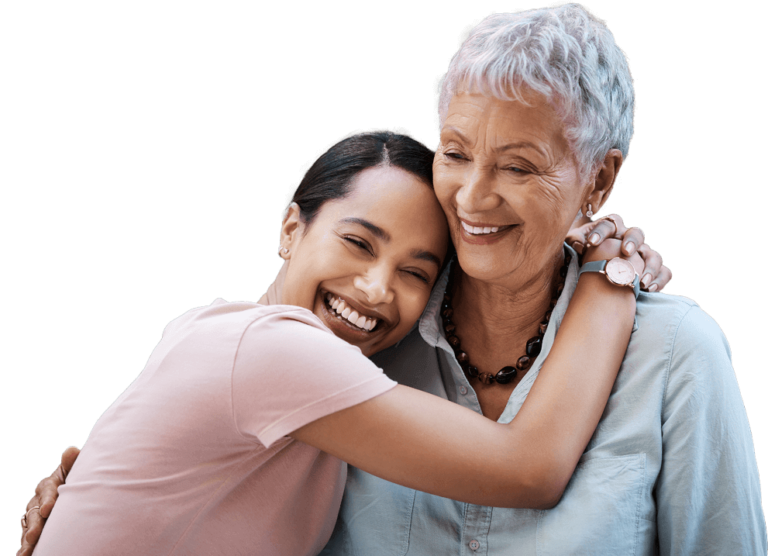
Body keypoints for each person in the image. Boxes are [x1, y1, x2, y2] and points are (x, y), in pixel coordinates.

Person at [22, 3, 765, 555]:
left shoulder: (675, 357)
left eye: (519, 165)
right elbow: (526, 467)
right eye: (456, 152)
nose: (474, 197)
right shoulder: (357, 350)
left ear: (599, 180)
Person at [18, 128, 655, 556]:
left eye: (415, 272)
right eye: (358, 242)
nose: (377, 289)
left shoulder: (217, 329)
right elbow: (529, 470)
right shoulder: (274, 352)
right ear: (292, 228)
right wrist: (607, 274)